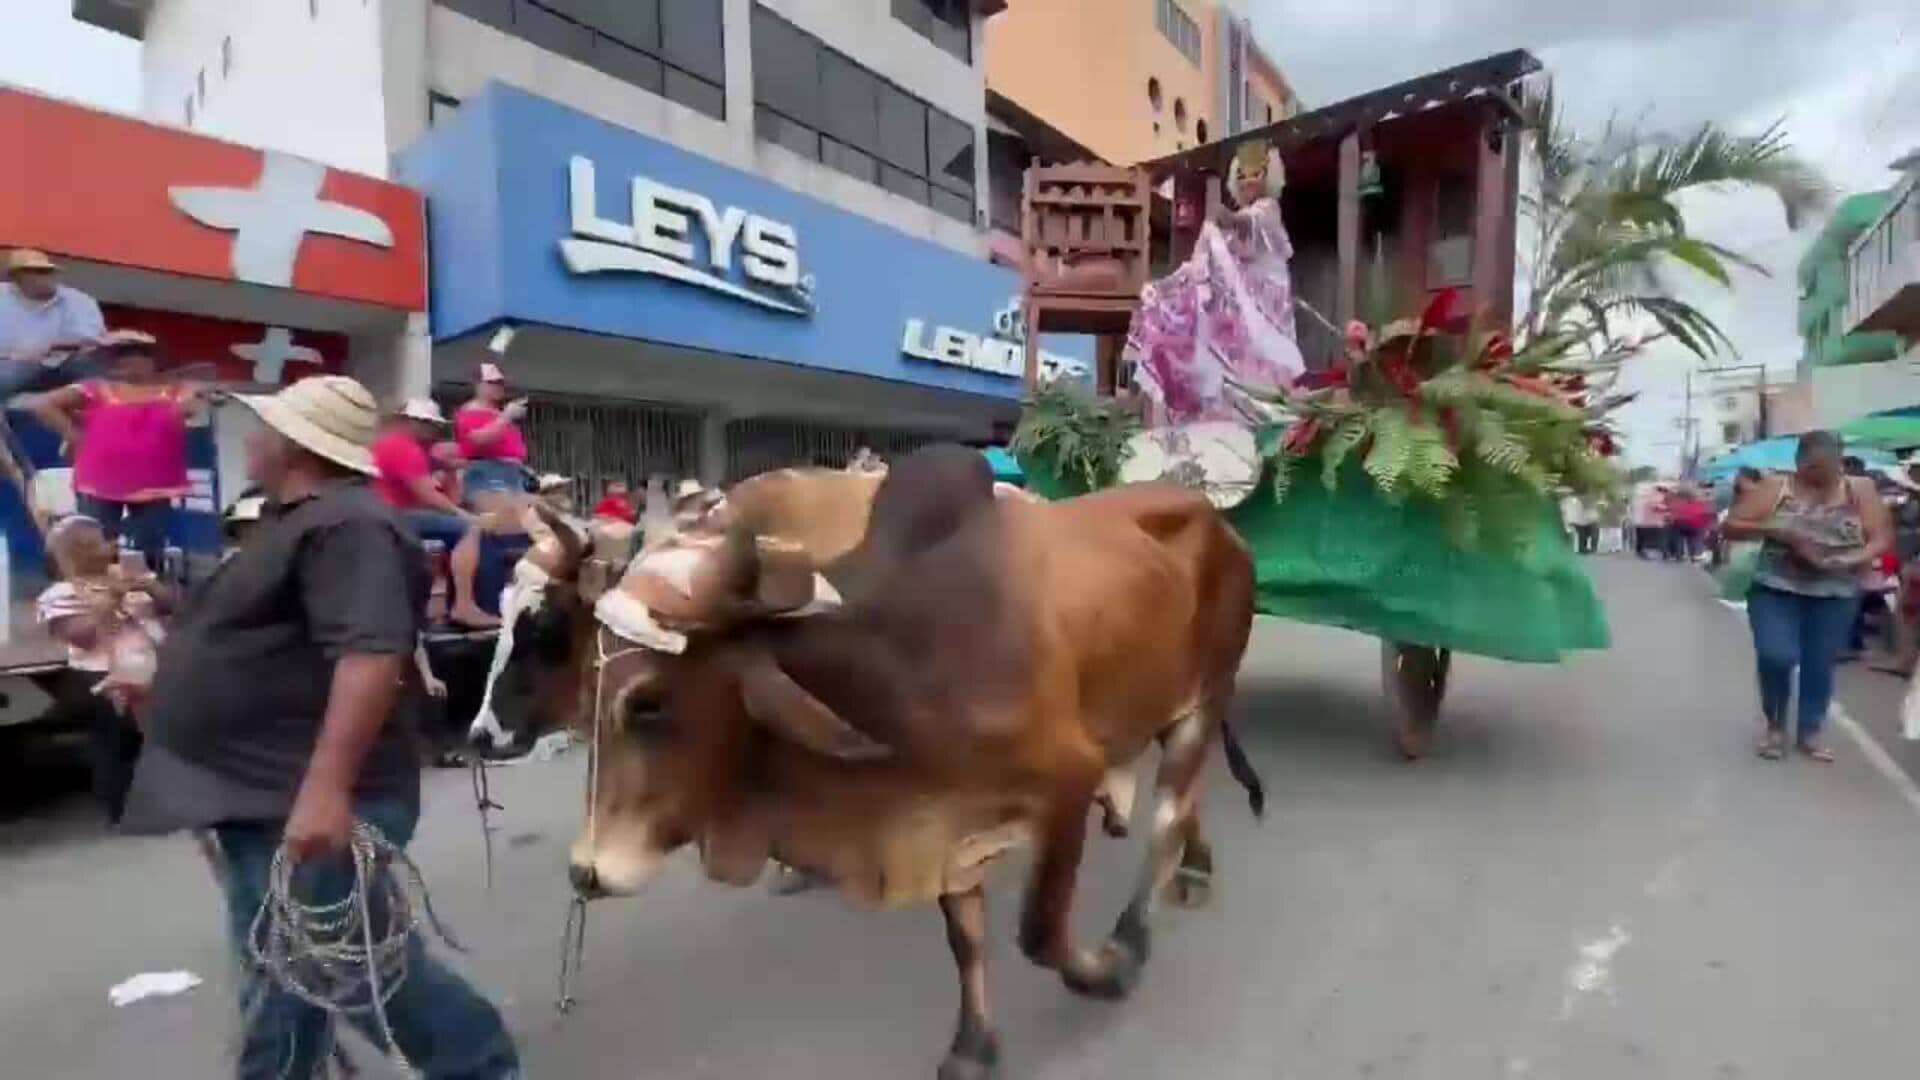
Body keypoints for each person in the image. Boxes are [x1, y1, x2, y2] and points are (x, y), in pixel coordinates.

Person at [117, 376, 519, 1078]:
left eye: (262, 427)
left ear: (294, 445)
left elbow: (368, 652)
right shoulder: (296, 522)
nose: (251, 438)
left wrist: (326, 790)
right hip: (262, 792)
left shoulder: (349, 524)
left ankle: (481, 1065)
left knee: (354, 967)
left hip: (303, 795)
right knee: (284, 971)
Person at [1725, 431, 1893, 762]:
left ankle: (1810, 730)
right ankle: (1775, 726)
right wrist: (1775, 531)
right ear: (1799, 462)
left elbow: (1880, 538)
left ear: (1839, 463)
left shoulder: (1859, 490)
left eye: (1827, 468)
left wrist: (1847, 560)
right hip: (1776, 587)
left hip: (1836, 591)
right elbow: (1731, 526)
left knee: (1820, 663)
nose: (1818, 475)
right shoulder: (1776, 487)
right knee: (1776, 655)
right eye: (1811, 467)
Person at [28, 330, 197, 573]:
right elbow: (43, 405)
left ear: (152, 361)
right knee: (95, 545)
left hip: (155, 483)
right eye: (119, 355)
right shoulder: (93, 389)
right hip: (99, 481)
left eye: (137, 354)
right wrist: (73, 434)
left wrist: (194, 400)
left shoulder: (174, 392)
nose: (127, 360)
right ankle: (94, 597)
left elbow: (193, 409)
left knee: (148, 548)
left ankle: (144, 598)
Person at [35, 515, 167, 823]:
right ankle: (123, 811)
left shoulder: (126, 575)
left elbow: (170, 606)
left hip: (149, 671)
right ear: (77, 552)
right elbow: (81, 636)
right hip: (102, 677)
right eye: (100, 541)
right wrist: (112, 598)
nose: (112, 546)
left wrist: (152, 586)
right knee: (116, 744)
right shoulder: (60, 595)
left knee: (153, 741)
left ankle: (158, 802)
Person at [373, 398, 497, 627]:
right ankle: (464, 605)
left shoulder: (389, 444)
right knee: (468, 529)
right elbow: (427, 495)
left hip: (384, 516)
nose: (432, 430)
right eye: (428, 424)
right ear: (412, 422)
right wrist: (464, 515)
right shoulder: (405, 448)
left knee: (449, 530)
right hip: (393, 517)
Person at [0, 248, 106, 396]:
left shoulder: (79, 300)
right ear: (17, 277)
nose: (46, 277)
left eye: (49, 271)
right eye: (38, 271)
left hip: (62, 364)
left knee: (90, 366)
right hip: (12, 364)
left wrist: (44, 348)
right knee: (6, 374)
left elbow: (89, 340)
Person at [454, 362, 531, 506]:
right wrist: (506, 416)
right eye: (491, 382)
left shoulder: (496, 413)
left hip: (511, 473)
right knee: (498, 520)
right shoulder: (471, 410)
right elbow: (477, 440)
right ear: (478, 384)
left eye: (500, 383)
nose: (498, 387)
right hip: (489, 472)